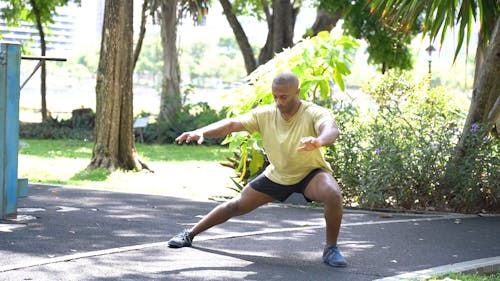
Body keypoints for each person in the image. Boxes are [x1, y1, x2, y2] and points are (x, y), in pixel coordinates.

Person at [168, 71, 347, 268]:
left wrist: (318, 141)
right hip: (278, 174)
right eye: (275, 96)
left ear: (297, 92)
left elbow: (331, 128)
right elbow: (232, 124)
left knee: (332, 193)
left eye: (284, 97)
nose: (278, 101)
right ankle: (189, 234)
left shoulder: (313, 112)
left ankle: (331, 248)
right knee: (235, 206)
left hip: (310, 173)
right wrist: (202, 131)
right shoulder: (265, 114)